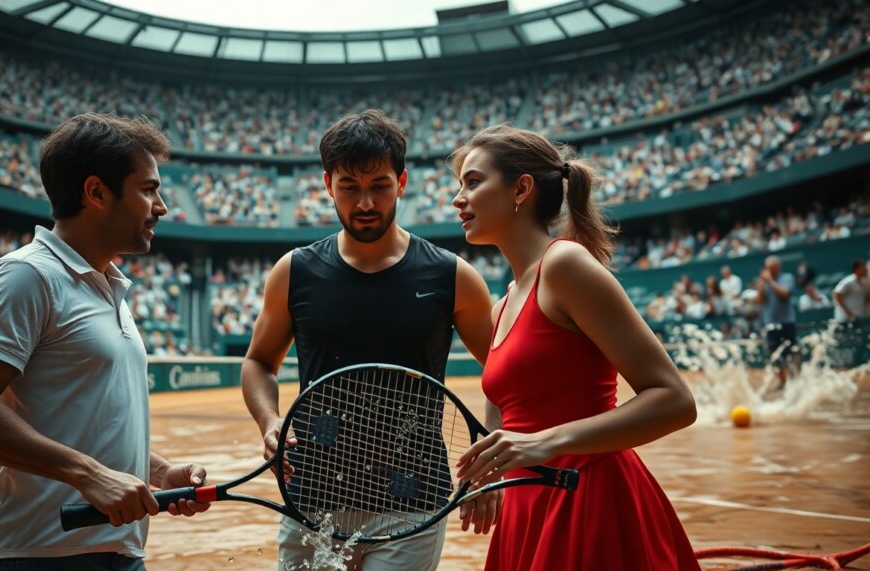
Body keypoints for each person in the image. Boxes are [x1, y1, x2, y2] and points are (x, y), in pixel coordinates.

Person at [0, 113, 210, 570]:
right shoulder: (25, 275)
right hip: (32, 553)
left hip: (116, 549)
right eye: (148, 190)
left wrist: (160, 471)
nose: (162, 206)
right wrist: (88, 475)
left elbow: (86, 420)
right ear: (96, 192)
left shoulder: (108, 286)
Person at [240, 110, 497, 571]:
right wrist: (269, 421)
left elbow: (503, 368)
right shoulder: (293, 272)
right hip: (312, 495)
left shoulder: (452, 276)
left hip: (414, 502)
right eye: (349, 187)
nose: (364, 203)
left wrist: (491, 461)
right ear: (327, 185)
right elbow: (258, 362)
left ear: (402, 183)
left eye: (379, 186)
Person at [450, 125, 699, 570]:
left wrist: (543, 443)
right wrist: (487, 469)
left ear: (521, 189)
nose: (458, 198)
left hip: (590, 500)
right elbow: (505, 408)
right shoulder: (502, 305)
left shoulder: (565, 265)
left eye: (473, 182)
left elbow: (675, 401)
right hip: (526, 506)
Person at [756, 255, 797, 389]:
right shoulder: (764, 282)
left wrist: (770, 281)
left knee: (791, 352)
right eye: (767, 267)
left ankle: (796, 380)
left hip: (787, 321)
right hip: (770, 323)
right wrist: (762, 284)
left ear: (778, 267)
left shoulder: (787, 278)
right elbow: (760, 300)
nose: (768, 270)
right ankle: (782, 381)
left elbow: (784, 294)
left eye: (771, 267)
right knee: (774, 354)